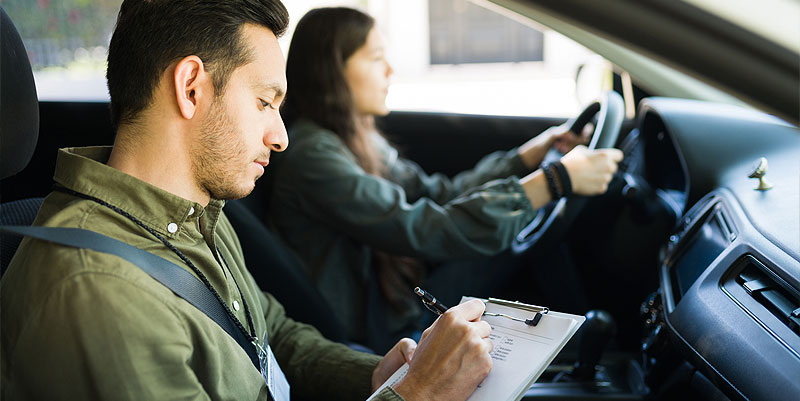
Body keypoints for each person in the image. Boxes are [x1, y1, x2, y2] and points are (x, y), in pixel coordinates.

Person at [0, 1, 495, 400]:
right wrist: (419, 395)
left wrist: (375, 376)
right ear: (191, 89)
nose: (280, 137)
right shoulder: (98, 292)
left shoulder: (194, 213)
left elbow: (268, 335)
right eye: (264, 102)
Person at [266, 7, 624, 352]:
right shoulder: (314, 157)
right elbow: (423, 227)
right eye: (376, 59)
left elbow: (440, 194)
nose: (390, 70)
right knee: (513, 236)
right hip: (378, 332)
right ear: (332, 70)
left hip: (397, 303)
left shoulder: (357, 138)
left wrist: (527, 158)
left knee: (516, 231)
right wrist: (553, 182)